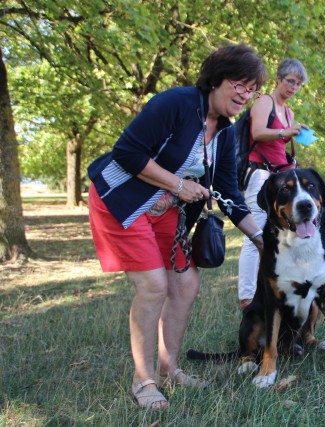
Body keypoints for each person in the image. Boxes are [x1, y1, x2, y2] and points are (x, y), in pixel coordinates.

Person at [87, 44, 268, 410]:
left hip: (167, 209)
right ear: (217, 79)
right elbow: (128, 153)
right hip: (122, 201)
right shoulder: (177, 103)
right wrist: (177, 184)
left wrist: (262, 240)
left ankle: (171, 369)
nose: (245, 95)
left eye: (253, 89)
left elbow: (230, 193)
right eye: (239, 84)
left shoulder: (227, 133)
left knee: (186, 283)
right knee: (153, 286)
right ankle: (144, 381)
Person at [237, 59, 307, 309]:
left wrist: (295, 135)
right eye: (290, 81)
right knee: (254, 233)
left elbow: (281, 147)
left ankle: (276, 286)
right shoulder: (264, 101)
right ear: (278, 78)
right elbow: (257, 133)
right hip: (259, 174)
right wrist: (284, 132)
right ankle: (247, 296)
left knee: (283, 233)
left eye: (298, 84)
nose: (293, 87)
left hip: (281, 176)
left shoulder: (289, 111)